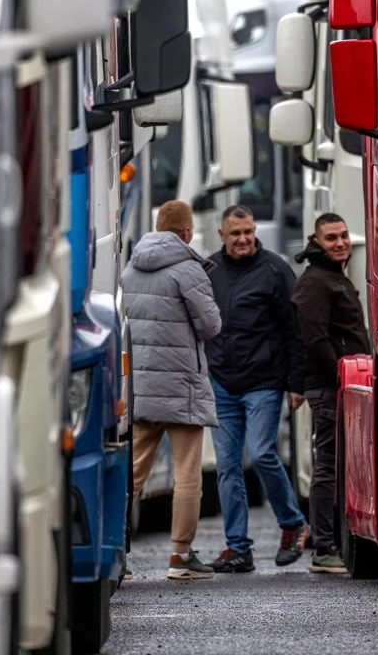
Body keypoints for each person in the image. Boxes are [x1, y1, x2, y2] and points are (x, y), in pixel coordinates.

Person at [121, 200, 223, 580]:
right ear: (185, 232)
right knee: (187, 475)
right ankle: (180, 557)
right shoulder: (186, 268)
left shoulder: (131, 267)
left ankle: (116, 553)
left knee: (131, 474)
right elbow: (210, 324)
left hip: (143, 386)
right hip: (182, 385)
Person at [204, 205, 310, 573]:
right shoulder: (209, 271)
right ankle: (238, 548)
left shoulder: (275, 270)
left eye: (248, 231)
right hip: (222, 383)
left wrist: (297, 383)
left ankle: (293, 523)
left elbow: (295, 330)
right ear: (221, 235)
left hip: (264, 382)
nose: (244, 239)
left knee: (263, 453)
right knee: (228, 467)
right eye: (235, 233)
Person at [291, 213, 371, 574]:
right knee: (327, 465)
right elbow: (313, 337)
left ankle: (332, 540)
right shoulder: (315, 282)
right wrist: (342, 373)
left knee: (338, 465)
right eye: (330, 238)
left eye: (342, 236)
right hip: (330, 387)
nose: (339, 243)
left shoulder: (331, 277)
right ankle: (324, 547)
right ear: (316, 241)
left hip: (342, 384)